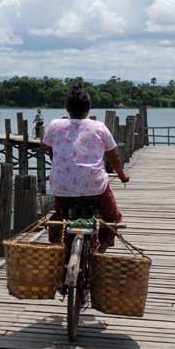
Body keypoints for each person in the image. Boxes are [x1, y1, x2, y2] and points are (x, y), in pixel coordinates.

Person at [43, 83, 129, 253]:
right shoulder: (99, 127)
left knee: (60, 218)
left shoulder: (54, 125)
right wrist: (122, 176)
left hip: (63, 186)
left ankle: (57, 249)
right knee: (112, 217)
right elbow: (114, 157)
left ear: (67, 108)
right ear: (89, 109)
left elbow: (51, 151)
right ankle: (101, 251)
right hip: (95, 186)